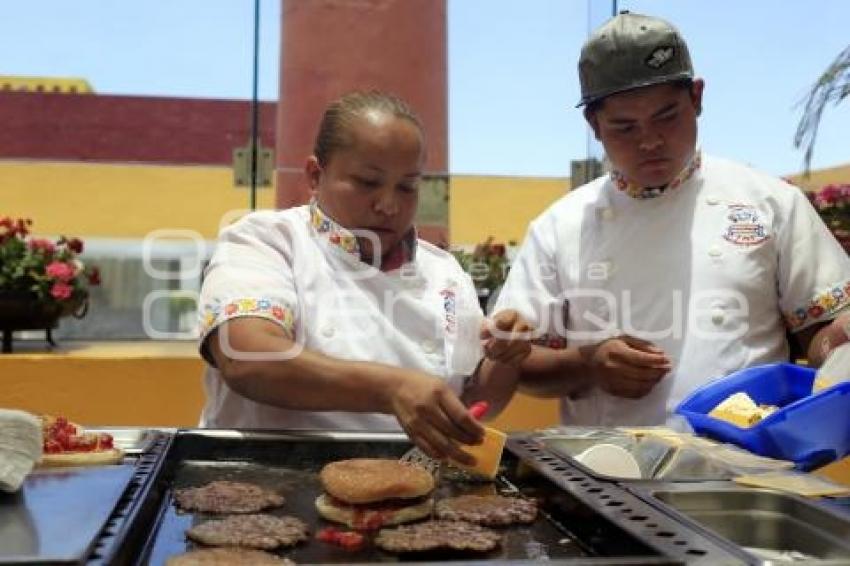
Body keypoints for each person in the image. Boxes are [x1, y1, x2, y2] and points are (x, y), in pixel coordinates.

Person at [494, 12, 850, 426]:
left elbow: (822, 335)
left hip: (747, 471)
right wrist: (588, 364)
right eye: (625, 128)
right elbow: (522, 364)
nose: (649, 141)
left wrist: (839, 342)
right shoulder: (560, 227)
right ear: (593, 124)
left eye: (667, 117)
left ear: (697, 98)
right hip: (606, 476)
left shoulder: (771, 204)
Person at [198, 90, 532, 464]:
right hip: (266, 480)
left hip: (406, 491)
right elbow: (247, 360)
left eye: (407, 186)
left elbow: (466, 404)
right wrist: (391, 388)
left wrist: (507, 356)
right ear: (314, 176)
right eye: (367, 182)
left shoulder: (445, 272)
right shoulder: (266, 241)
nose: (388, 205)